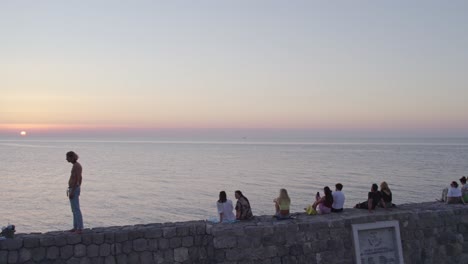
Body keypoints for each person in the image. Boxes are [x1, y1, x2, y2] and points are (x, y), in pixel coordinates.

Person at [66, 151, 83, 234]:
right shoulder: (76, 165)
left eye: (67, 157)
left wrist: (73, 190)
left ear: (71, 157)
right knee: (74, 209)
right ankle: (75, 227)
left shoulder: (76, 166)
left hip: (74, 188)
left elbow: (77, 178)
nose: (66, 159)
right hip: (74, 188)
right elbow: (80, 178)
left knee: (76, 209)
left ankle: (79, 228)